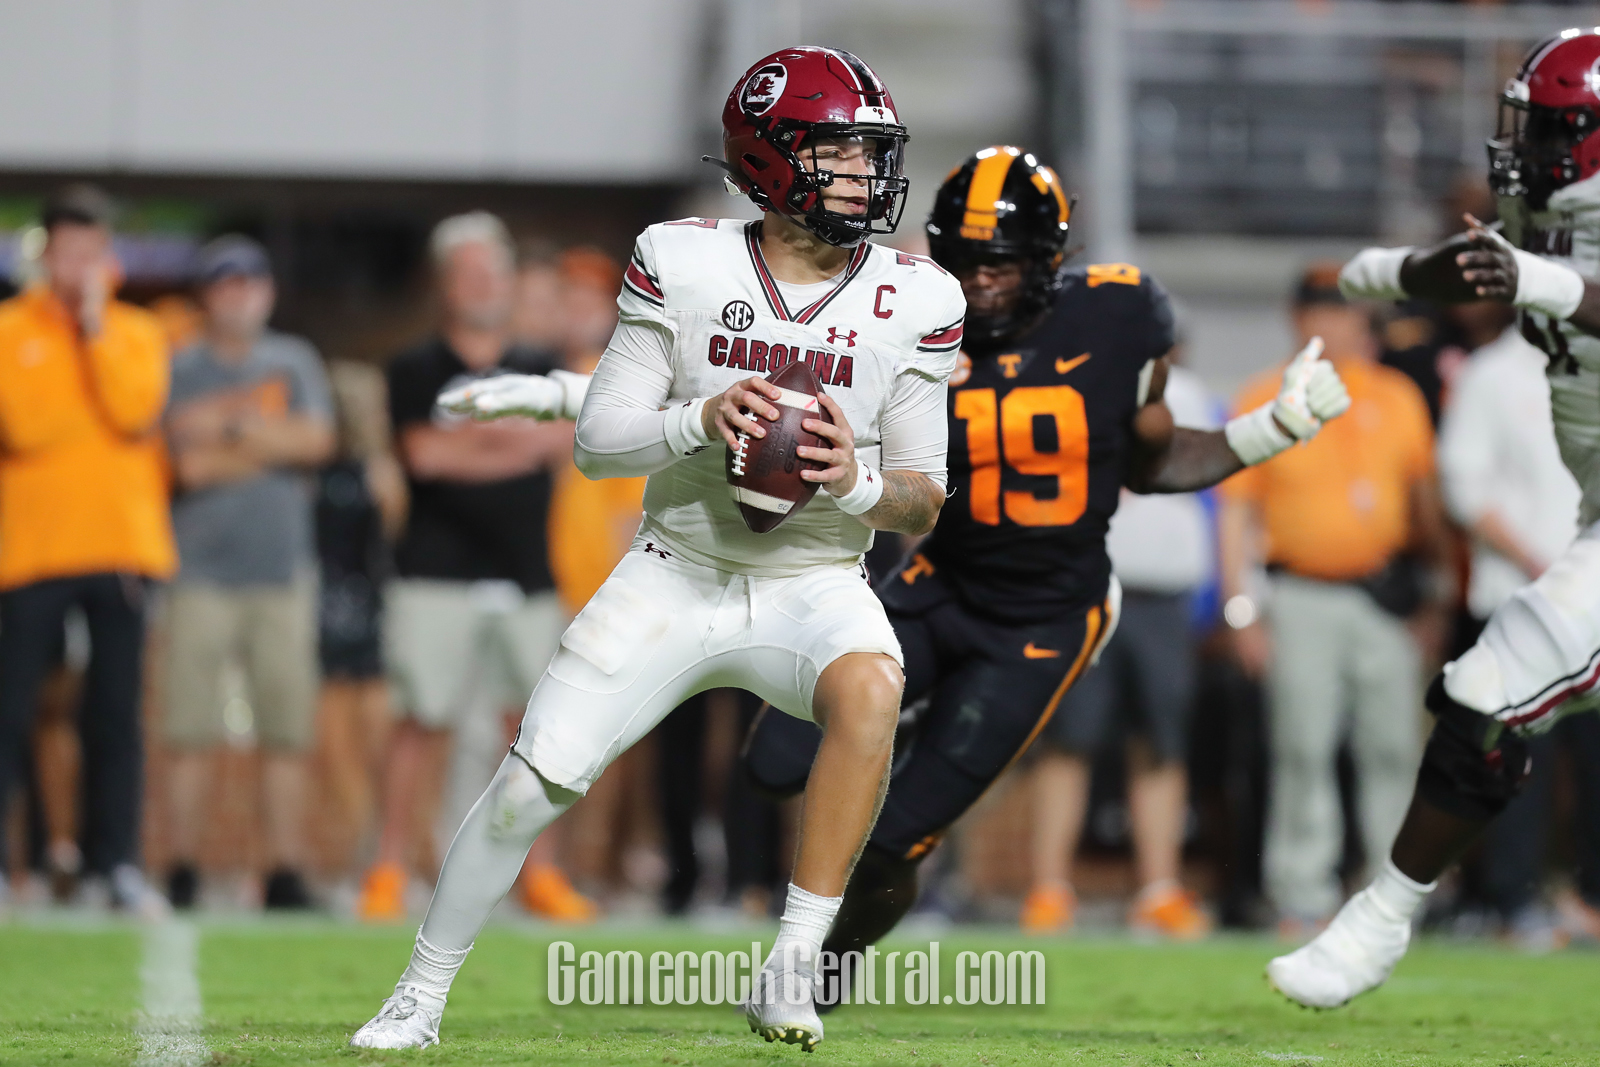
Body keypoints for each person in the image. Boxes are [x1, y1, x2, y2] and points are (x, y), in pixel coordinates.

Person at [455, 143, 1350, 1009]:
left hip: (1041, 616)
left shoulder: (1116, 316)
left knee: (886, 843)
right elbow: (756, 396)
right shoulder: (916, 309)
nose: (983, 279)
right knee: (772, 764)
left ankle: (813, 974)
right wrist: (568, 395)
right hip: (936, 581)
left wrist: (1267, 431)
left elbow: (1153, 458)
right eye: (967, 258)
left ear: (1052, 259)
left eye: (1003, 263)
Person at [351, 46, 963, 1052]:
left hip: (813, 579)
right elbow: (598, 443)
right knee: (525, 785)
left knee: (872, 690)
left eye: (869, 153)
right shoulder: (684, 259)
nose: (864, 174)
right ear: (768, 161)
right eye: (838, 153)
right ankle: (419, 991)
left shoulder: (917, 298)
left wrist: (852, 477)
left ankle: (791, 965)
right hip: (673, 570)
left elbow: (921, 499)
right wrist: (699, 419)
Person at [1267, 27, 1600, 1008]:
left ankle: (1376, 916)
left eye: (1550, 127)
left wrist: (1533, 280)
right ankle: (1383, 912)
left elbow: (1555, 288)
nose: (1526, 144)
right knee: (1478, 698)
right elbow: (1479, 270)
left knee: (1495, 677)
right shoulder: (1539, 210)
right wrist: (1384, 275)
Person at [353, 212, 582, 924]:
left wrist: (476, 440)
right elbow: (425, 456)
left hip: (525, 570)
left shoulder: (543, 361)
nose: (484, 284)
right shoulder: (416, 364)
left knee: (538, 731)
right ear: (447, 284)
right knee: (421, 718)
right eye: (470, 271)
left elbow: (564, 443)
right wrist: (513, 439)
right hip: (435, 570)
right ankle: (389, 866)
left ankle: (538, 875)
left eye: (494, 270)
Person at [1219, 266, 1450, 937]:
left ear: (1362, 320)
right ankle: (1301, 889)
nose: (1327, 323)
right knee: (1301, 745)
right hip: (1299, 593)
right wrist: (1243, 608)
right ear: (1296, 319)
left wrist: (1438, 594)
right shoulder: (1264, 393)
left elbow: (1425, 503)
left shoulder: (1397, 394)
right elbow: (1236, 514)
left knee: (1393, 747)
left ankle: (1392, 891)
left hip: (1384, 596)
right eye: (1315, 310)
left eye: (1340, 311)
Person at [0, 184, 174, 915]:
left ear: (108, 259)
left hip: (121, 546)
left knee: (114, 714)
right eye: (67, 254)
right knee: (10, 712)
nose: (79, 268)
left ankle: (117, 865)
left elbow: (134, 410)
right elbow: (24, 425)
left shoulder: (137, 330)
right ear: (47, 256)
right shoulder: (10, 326)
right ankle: (16, 865)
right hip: (31, 549)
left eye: (91, 254)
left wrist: (95, 328)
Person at [162, 235, 337, 910]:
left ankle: (284, 869)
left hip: (281, 571)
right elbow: (183, 463)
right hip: (198, 570)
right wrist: (268, 434)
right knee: (188, 729)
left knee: (287, 728)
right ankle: (181, 867)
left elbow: (317, 442)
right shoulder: (180, 364)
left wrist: (224, 430)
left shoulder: (293, 359)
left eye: (249, 282)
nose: (238, 295)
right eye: (225, 283)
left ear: (266, 291)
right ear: (208, 294)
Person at [1023, 349, 1222, 939]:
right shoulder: (1072, 386)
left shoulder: (1190, 393)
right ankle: (1048, 888)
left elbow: (1213, 492)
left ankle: (1158, 890)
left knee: (1160, 745)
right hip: (1086, 586)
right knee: (1067, 742)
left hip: (1163, 596)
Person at [1436, 301, 1579, 943]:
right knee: (1520, 761)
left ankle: (1587, 900)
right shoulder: (1493, 374)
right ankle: (1511, 899)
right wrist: (1539, 561)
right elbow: (1465, 485)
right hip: (1522, 599)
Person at [310, 359, 407, 880]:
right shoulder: (314, 468)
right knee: (333, 750)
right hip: (324, 607)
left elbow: (394, 540)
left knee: (379, 747)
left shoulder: (383, 470)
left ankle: (388, 853)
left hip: (371, 609)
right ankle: (353, 852)